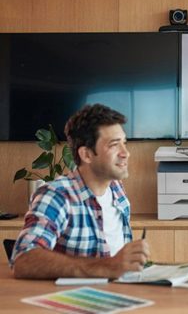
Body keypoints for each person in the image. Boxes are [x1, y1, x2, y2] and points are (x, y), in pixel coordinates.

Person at [10, 104, 150, 279]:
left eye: (124, 143)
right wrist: (106, 267)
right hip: (71, 300)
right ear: (86, 154)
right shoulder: (56, 196)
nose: (126, 153)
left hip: (121, 292)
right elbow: (24, 260)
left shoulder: (116, 188)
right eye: (114, 145)